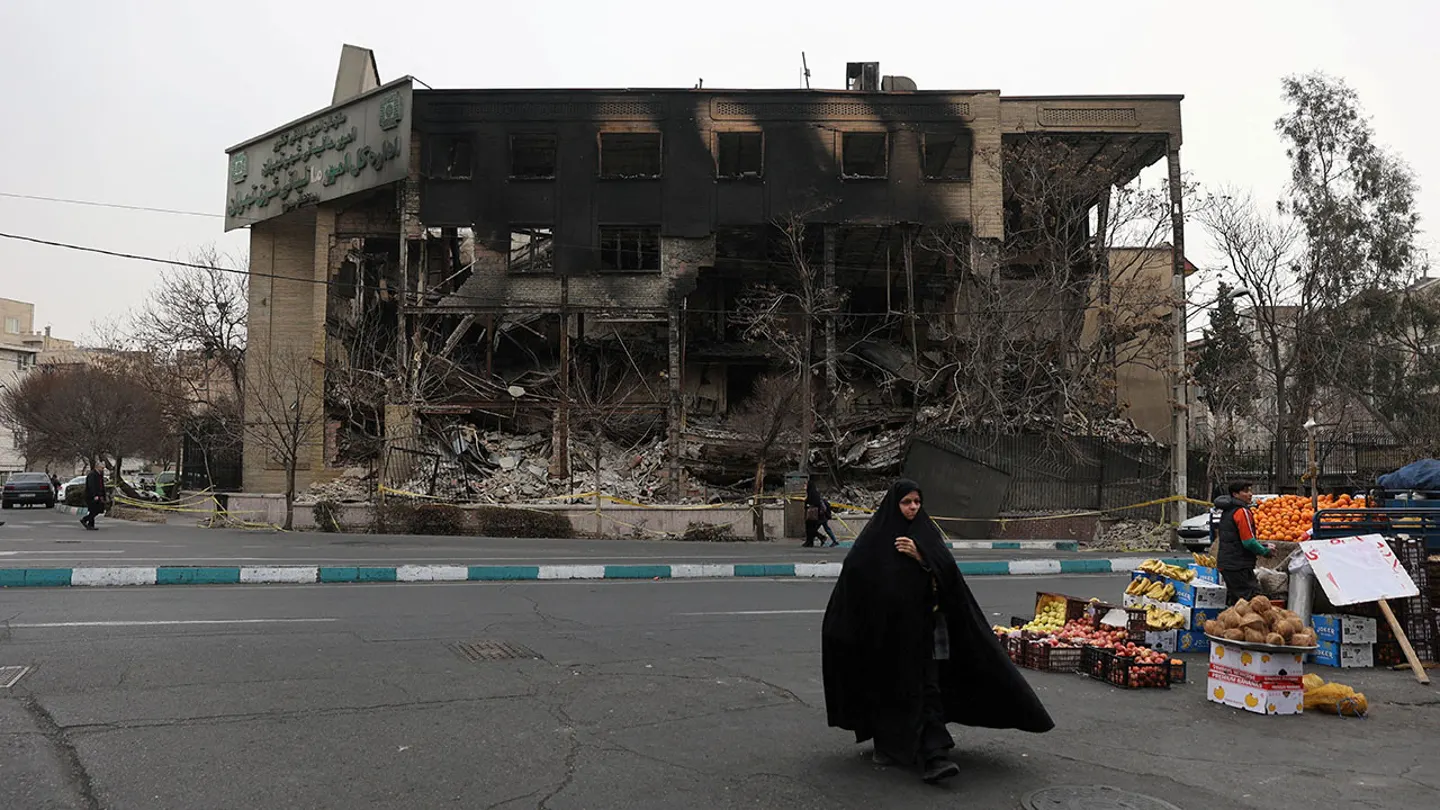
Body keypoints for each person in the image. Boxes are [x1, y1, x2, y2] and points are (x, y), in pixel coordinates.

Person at [822, 479, 1053, 784]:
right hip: (887, 639)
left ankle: (935, 756)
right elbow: (856, 579)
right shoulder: (874, 541)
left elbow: (948, 575)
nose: (913, 508)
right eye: (907, 502)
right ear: (895, 504)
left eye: (917, 502)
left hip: (926, 633)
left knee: (927, 690)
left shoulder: (925, 535)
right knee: (890, 691)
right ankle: (888, 744)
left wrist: (922, 557)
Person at [1214, 480, 1273, 604]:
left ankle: (1233, 623)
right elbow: (1248, 542)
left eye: (1250, 491)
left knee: (1236, 601)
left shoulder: (1228, 510)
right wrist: (1265, 551)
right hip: (1238, 565)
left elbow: (1235, 539)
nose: (1250, 494)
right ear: (1235, 494)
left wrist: (1263, 545)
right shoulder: (1242, 511)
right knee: (1254, 602)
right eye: (1246, 491)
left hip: (1227, 564)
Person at [81, 462, 106, 531]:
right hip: (92, 496)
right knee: (94, 510)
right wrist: (95, 495)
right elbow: (92, 486)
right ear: (97, 467)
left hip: (99, 495)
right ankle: (85, 520)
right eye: (102, 468)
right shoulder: (92, 475)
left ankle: (90, 524)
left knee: (95, 510)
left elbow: (101, 485)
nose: (102, 469)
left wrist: (103, 495)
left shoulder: (99, 475)